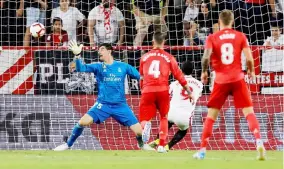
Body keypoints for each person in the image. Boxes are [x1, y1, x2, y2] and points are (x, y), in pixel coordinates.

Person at [54, 41, 154, 151]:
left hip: (120, 105)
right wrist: (77, 56)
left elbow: (140, 76)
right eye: (98, 50)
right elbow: (80, 68)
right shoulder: (98, 66)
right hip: (103, 104)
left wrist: (152, 78)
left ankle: (141, 144)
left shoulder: (123, 66)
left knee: (139, 132)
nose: (99, 51)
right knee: (82, 122)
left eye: (101, 49)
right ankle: (68, 144)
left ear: (109, 51)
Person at [193, 10, 266, 160]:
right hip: (238, 78)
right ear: (232, 21)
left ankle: (202, 151)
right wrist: (251, 72)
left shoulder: (212, 37)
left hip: (220, 80)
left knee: (211, 117)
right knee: (249, 112)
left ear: (219, 21)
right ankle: (259, 141)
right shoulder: (240, 36)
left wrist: (204, 72)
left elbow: (206, 57)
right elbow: (250, 59)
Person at [139, 32, 194, 153]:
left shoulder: (144, 57)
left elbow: (141, 77)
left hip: (148, 90)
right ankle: (161, 146)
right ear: (163, 42)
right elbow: (179, 76)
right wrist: (188, 91)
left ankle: (144, 133)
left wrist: (143, 89)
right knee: (164, 117)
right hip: (162, 89)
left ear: (152, 42)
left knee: (145, 116)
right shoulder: (169, 57)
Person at [148, 61, 203, 151]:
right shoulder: (200, 84)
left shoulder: (174, 83)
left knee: (167, 122)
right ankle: (168, 146)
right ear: (192, 71)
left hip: (171, 112)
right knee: (184, 130)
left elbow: (166, 93)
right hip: (185, 116)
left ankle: (158, 139)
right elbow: (197, 95)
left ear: (181, 70)